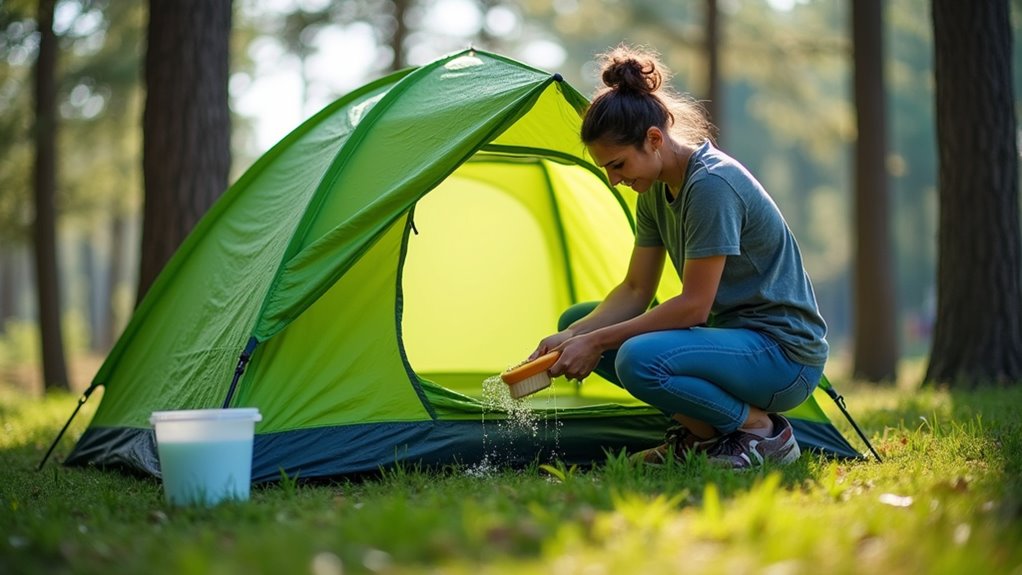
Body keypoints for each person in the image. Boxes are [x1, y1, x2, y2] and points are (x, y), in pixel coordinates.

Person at [530, 44, 829, 469]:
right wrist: (573, 336)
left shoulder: (710, 185)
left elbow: (693, 307)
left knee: (635, 356)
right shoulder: (652, 189)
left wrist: (594, 341)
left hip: (783, 357)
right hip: (734, 346)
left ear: (654, 139)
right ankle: (704, 438)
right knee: (575, 320)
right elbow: (636, 289)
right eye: (607, 171)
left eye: (618, 165)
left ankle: (763, 434)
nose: (614, 181)